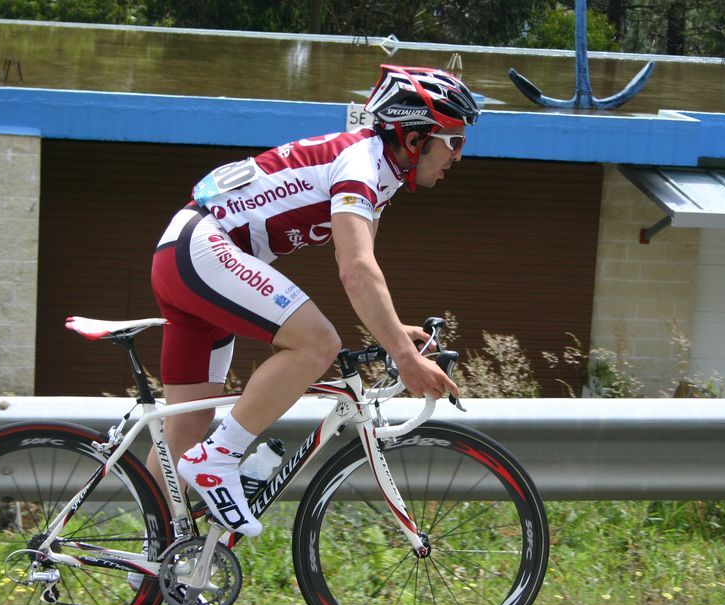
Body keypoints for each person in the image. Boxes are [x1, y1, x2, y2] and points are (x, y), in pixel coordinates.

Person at [149, 64, 480, 536]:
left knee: (186, 424)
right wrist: (406, 359)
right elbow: (355, 269)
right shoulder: (360, 165)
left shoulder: (378, 173)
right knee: (318, 344)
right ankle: (219, 457)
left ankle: (155, 556)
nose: (459, 156)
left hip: (187, 255)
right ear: (414, 138)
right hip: (203, 249)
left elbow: (362, 269)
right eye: (455, 141)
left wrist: (395, 331)